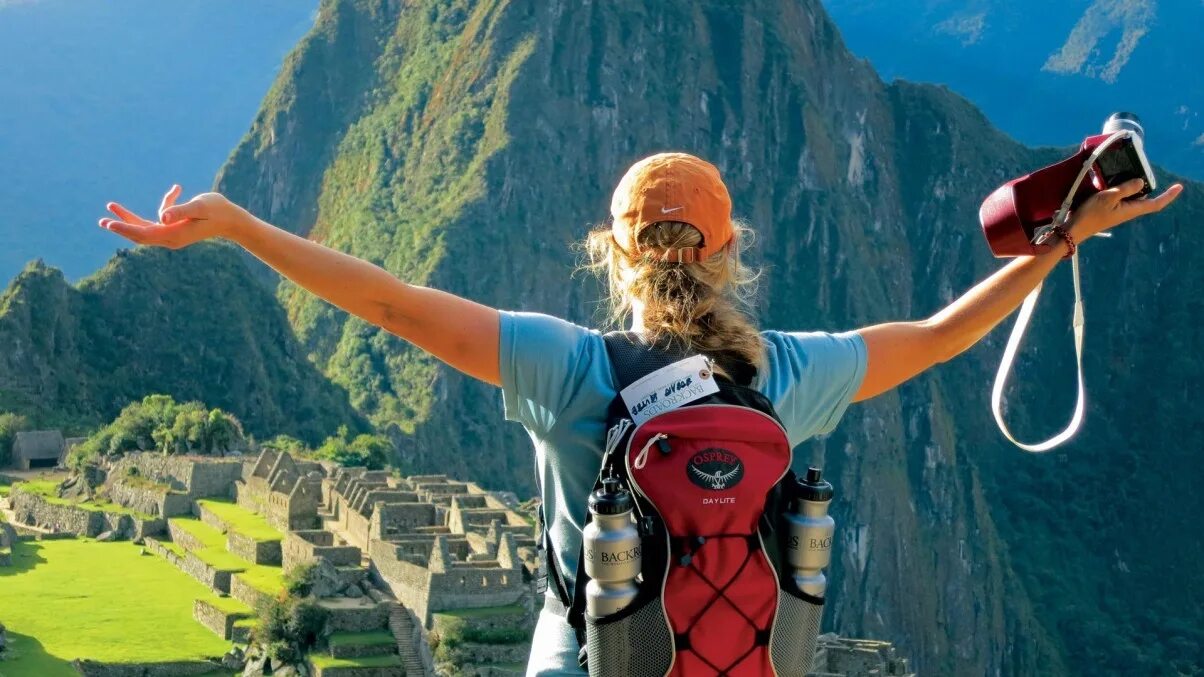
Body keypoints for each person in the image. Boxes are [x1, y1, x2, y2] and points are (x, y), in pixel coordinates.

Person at [100, 152, 1181, 675]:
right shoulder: (785, 372)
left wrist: (240, 226)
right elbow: (944, 334)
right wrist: (1065, 237)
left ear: (611, 247)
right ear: (728, 246)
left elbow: (385, 299)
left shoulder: (561, 363)